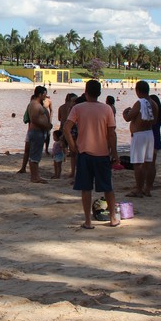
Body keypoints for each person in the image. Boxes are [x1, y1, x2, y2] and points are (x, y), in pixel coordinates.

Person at [62, 79, 120, 229]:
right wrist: (115, 153)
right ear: (100, 93)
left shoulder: (78, 108)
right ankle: (113, 218)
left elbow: (66, 128)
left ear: (86, 92)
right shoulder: (107, 109)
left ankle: (88, 221)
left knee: (86, 188)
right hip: (102, 153)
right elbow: (112, 134)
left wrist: (73, 146)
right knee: (108, 187)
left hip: (84, 153)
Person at [122, 81, 156, 197]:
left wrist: (125, 112)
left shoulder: (140, 103)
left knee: (138, 163)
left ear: (137, 90)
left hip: (139, 134)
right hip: (149, 133)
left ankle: (139, 189)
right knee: (149, 163)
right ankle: (148, 189)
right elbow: (155, 120)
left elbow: (128, 118)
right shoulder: (154, 103)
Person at [26, 86, 52, 184]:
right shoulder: (36, 105)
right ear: (40, 94)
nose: (45, 96)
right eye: (44, 94)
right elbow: (34, 119)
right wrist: (46, 125)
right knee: (35, 156)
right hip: (37, 132)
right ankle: (35, 177)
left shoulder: (34, 104)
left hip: (37, 132)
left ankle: (35, 176)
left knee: (35, 155)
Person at [146, 94, 161, 194]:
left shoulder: (151, 114)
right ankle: (150, 184)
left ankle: (147, 185)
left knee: (147, 164)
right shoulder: (159, 114)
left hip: (150, 139)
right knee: (152, 163)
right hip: (156, 139)